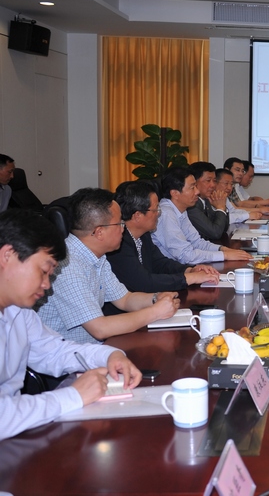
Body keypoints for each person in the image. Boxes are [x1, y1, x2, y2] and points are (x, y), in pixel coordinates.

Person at [0, 210, 142, 440]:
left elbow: (53, 351)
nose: (47, 285)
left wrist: (109, 355)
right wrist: (73, 396)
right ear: (7, 255)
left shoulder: (18, 310)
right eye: (43, 271)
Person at [37, 188, 180, 344]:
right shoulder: (67, 266)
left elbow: (125, 299)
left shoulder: (97, 256)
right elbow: (100, 329)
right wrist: (155, 312)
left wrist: (156, 298)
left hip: (93, 349)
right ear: (99, 232)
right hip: (68, 355)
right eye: (120, 223)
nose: (123, 229)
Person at [107, 180, 219, 294]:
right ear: (137, 215)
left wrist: (189, 270)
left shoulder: (143, 235)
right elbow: (144, 282)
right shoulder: (118, 243)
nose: (159, 213)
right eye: (156, 209)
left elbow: (160, 263)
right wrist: (189, 278)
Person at [152, 166, 252, 264]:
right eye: (192, 187)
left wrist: (223, 249)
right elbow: (185, 255)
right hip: (169, 271)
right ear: (175, 193)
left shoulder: (180, 210)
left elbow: (197, 242)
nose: (197, 191)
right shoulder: (166, 214)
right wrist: (224, 255)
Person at [186, 162, 235, 238]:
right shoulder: (192, 205)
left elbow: (223, 228)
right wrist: (220, 208)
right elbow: (215, 233)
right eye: (208, 180)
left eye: (214, 181)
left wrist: (222, 208)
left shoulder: (206, 200)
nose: (213, 185)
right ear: (194, 182)